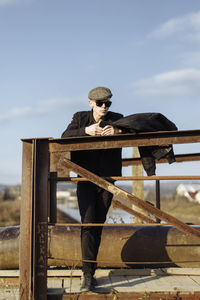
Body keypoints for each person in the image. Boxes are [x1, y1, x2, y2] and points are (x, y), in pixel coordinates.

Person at [61, 86, 123, 291]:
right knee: (88, 224)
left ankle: (90, 272)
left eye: (107, 103)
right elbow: (64, 136)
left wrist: (118, 131)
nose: (104, 107)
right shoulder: (80, 118)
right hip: (85, 180)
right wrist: (85, 131)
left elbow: (136, 131)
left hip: (107, 181)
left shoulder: (117, 118)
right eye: (100, 103)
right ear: (90, 103)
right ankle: (87, 275)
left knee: (98, 224)